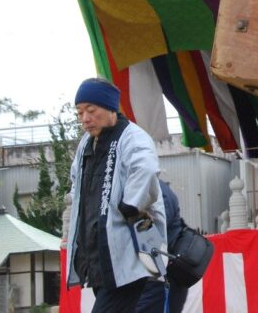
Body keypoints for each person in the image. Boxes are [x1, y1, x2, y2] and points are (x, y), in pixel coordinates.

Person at [66, 77, 165, 313]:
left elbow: (146, 169)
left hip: (128, 251)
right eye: (80, 113)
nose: (85, 119)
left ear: (110, 107)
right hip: (97, 254)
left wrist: (131, 204)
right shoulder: (85, 145)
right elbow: (75, 185)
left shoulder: (133, 137)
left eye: (91, 110)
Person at [136, 180, 188, 313]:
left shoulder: (156, 192)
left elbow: (154, 233)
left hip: (159, 277)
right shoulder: (154, 189)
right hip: (158, 275)